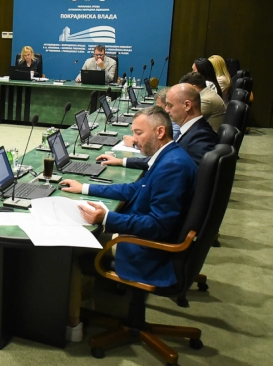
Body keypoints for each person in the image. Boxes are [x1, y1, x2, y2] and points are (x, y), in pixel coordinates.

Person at [60, 106, 198, 340]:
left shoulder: (172, 167)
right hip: (156, 241)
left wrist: (107, 218)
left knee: (74, 249)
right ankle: (87, 301)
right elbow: (135, 189)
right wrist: (85, 188)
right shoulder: (170, 156)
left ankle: (73, 324)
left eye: (139, 133)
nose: (134, 139)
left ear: (160, 132)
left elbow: (158, 226)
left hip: (153, 253)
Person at [98, 84, 218, 169]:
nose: (167, 110)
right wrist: (121, 161)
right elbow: (161, 158)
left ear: (187, 105)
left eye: (170, 105)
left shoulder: (201, 136)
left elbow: (197, 180)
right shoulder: (191, 130)